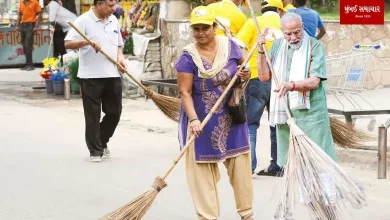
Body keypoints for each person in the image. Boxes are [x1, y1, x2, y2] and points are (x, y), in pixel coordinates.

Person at [175, 6, 254, 220]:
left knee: (240, 167)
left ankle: (247, 214)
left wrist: (245, 72)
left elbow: (244, 67)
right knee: (202, 173)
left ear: (214, 27)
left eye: (205, 28)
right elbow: (185, 92)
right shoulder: (187, 57)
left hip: (231, 117)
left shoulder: (231, 47)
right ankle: (207, 217)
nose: (200, 33)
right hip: (202, 121)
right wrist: (192, 119)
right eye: (196, 29)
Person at [256, 12, 336, 170]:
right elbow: (264, 76)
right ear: (282, 31)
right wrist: (260, 51)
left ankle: (329, 193)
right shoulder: (278, 45)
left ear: (303, 27)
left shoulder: (314, 46)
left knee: (321, 158)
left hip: (312, 113)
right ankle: (301, 195)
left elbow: (314, 81)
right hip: (286, 114)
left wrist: (290, 85)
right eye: (288, 34)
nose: (293, 37)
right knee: (295, 163)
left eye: (297, 32)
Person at [64, 0, 127, 162]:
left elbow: (119, 44)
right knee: (92, 115)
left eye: (114, 5)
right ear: (99, 4)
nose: (114, 9)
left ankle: (101, 140)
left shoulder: (113, 20)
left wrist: (120, 58)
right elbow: (68, 43)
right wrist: (86, 42)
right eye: (110, 6)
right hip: (91, 76)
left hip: (112, 73)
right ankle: (95, 150)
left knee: (115, 113)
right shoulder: (83, 20)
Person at [234, 0, 285, 176]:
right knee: (277, 123)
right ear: (279, 10)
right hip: (280, 82)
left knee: (251, 124)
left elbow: (238, 45)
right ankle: (277, 166)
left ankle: (249, 166)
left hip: (257, 78)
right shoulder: (285, 24)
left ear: (262, 9)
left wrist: (243, 66)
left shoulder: (252, 22)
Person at [16, 0, 42, 71]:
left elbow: (39, 14)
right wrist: (17, 25)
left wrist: (36, 26)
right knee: (24, 45)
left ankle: (30, 65)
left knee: (28, 45)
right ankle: (27, 64)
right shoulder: (21, 2)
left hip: (30, 25)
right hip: (22, 25)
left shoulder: (35, 2)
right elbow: (20, 14)